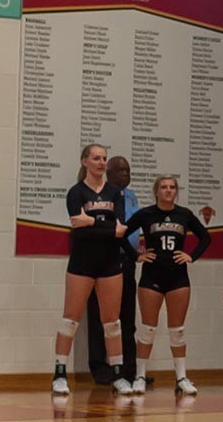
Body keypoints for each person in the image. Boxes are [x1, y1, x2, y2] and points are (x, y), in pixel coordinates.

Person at [121, 175, 211, 394]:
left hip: (178, 278)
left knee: (177, 330)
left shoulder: (184, 214)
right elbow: (121, 234)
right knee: (147, 329)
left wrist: (191, 256)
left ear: (176, 191)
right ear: (157, 191)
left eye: (172, 187)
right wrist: (136, 255)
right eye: (164, 187)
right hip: (151, 276)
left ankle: (181, 378)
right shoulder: (146, 214)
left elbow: (205, 238)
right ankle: (140, 376)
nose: (168, 190)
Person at [52, 144, 131, 395]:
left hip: (110, 263)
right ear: (85, 161)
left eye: (104, 158)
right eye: (96, 158)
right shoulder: (76, 192)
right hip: (82, 263)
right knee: (70, 320)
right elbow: (81, 231)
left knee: (112, 322)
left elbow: (120, 230)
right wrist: (106, 226)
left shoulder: (115, 193)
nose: (101, 163)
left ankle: (118, 375)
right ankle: (60, 374)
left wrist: (91, 221)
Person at [86, 156, 139, 384]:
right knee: (100, 317)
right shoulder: (101, 195)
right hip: (103, 261)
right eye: (120, 170)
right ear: (108, 174)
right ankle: (100, 368)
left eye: (127, 170)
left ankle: (129, 369)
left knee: (128, 317)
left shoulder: (132, 196)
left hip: (128, 261)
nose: (125, 174)